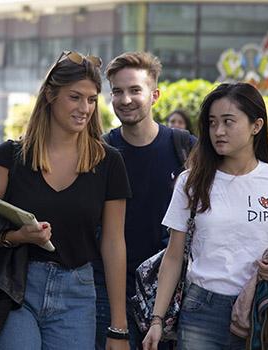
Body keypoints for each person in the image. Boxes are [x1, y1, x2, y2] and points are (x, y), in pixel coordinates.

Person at [0, 50, 132, 350]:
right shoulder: (10, 157)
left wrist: (118, 327)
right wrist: (17, 237)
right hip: (16, 287)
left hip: (78, 293)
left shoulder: (109, 162)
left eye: (92, 99)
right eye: (75, 97)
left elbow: (113, 243)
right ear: (49, 95)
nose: (84, 108)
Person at [142, 83, 268, 350]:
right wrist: (157, 319)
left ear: (256, 126)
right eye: (212, 123)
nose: (218, 131)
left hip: (261, 309)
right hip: (201, 310)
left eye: (228, 122)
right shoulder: (192, 181)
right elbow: (173, 256)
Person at [95, 51, 194, 350]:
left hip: (172, 290)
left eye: (135, 90)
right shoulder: (100, 150)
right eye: (118, 91)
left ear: (155, 95)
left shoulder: (185, 147)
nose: (125, 99)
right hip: (110, 288)